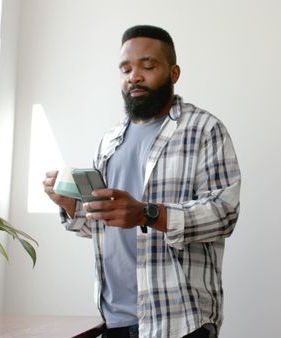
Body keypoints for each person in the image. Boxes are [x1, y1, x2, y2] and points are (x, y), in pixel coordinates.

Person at [42, 25, 241, 338]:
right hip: (113, 318)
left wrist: (148, 213)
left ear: (174, 73)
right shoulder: (109, 141)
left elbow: (224, 214)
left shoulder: (205, 129)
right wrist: (70, 205)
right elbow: (103, 226)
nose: (134, 76)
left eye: (147, 66)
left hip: (178, 319)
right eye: (126, 69)